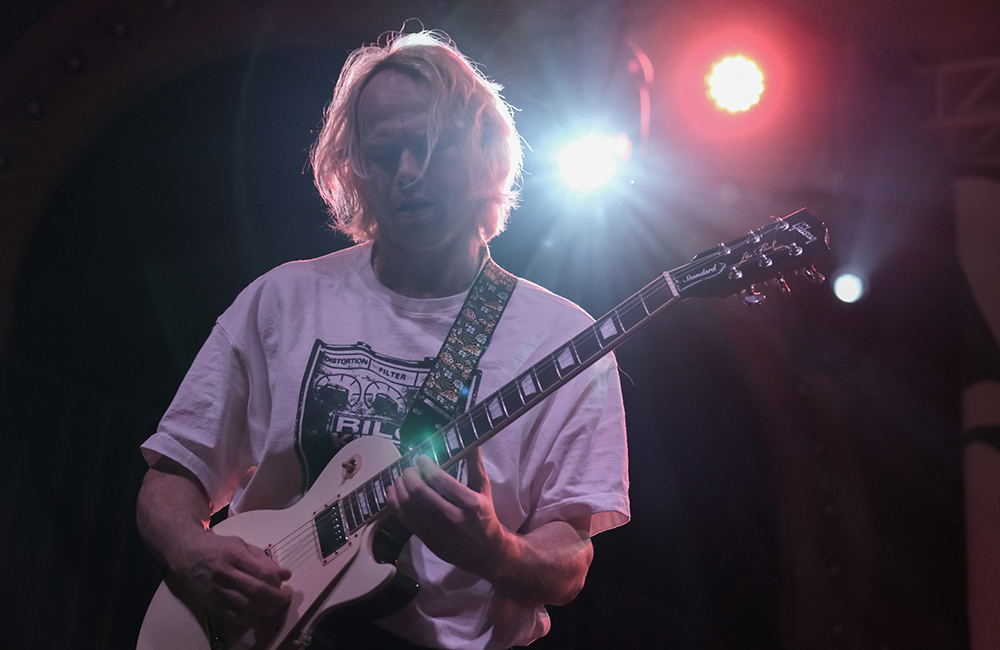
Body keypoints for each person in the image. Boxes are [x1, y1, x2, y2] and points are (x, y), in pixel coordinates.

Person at [136, 30, 629, 650]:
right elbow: (172, 476)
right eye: (383, 151)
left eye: (429, 146)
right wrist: (195, 551)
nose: (407, 172)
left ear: (485, 149)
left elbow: (569, 562)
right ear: (356, 166)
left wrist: (495, 550)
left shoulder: (562, 340)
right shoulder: (282, 300)